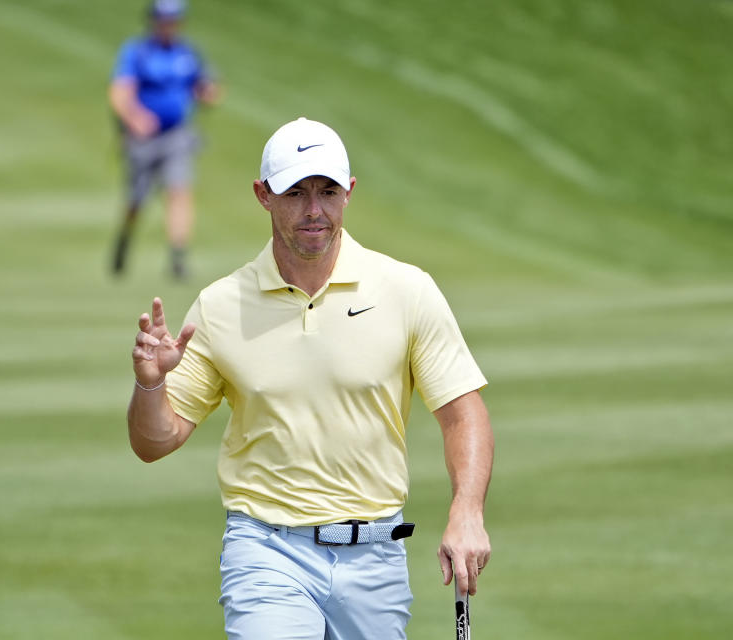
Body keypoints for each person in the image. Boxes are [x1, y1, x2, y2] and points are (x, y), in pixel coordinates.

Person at [127, 117, 494, 639]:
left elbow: (464, 413)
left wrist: (467, 511)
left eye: (327, 191)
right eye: (296, 192)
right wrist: (150, 385)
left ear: (349, 192)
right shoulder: (221, 305)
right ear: (263, 195)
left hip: (375, 556)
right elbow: (154, 442)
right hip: (266, 550)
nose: (314, 209)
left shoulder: (406, 289)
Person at [108, 0, 220, 279]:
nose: (168, 25)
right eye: (163, 20)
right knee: (137, 199)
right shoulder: (138, 53)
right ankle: (124, 242)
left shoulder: (188, 53)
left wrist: (207, 92)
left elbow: (207, 87)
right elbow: (120, 93)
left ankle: (178, 257)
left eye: (173, 20)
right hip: (143, 139)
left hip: (177, 136)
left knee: (179, 191)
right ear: (153, 21)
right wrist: (135, 118)